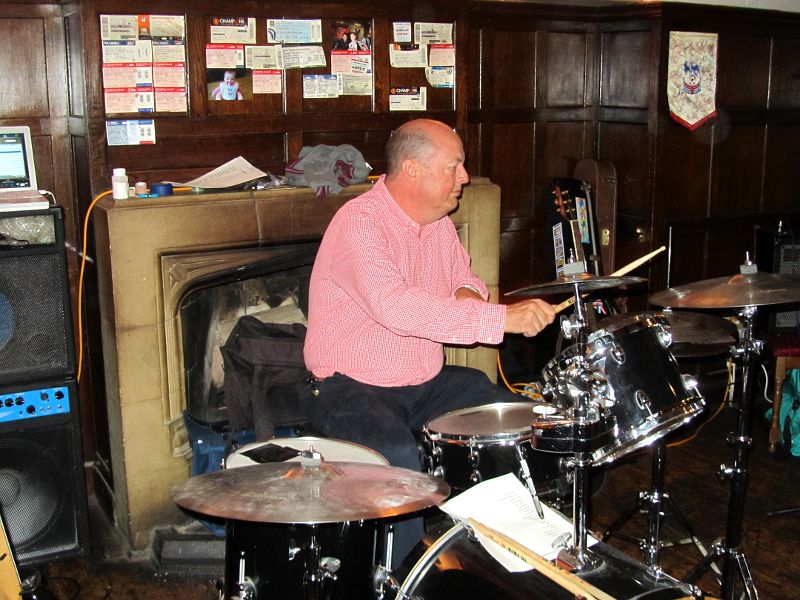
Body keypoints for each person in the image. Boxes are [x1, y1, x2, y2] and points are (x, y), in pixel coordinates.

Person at [303, 118, 555, 568]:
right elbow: (396, 308)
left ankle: (508, 554)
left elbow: (465, 281)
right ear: (412, 169)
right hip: (349, 387)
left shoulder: (437, 224)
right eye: (455, 166)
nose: (464, 177)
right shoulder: (359, 224)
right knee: (396, 459)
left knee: (519, 421)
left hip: (423, 381)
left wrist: (469, 295)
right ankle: (401, 579)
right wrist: (500, 318)